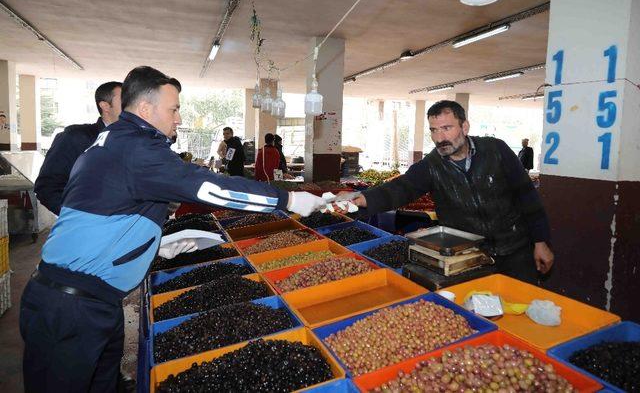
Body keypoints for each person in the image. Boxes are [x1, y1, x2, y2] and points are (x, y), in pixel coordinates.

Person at [19, 66, 325, 392]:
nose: (179, 118)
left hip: (93, 301)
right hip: (70, 309)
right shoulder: (136, 149)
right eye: (174, 109)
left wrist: (150, 244)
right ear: (146, 109)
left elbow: (106, 210)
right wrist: (290, 198)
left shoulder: (114, 141)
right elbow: (209, 187)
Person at [343, 100, 554, 284]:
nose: (439, 137)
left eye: (446, 128)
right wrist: (362, 198)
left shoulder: (496, 150)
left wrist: (541, 241)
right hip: (468, 256)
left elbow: (528, 196)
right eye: (434, 130)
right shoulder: (432, 166)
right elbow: (402, 187)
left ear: (465, 126)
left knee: (522, 311)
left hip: (516, 250)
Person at [34, 81, 122, 215]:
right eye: (124, 100)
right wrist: (78, 218)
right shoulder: (76, 137)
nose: (131, 105)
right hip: (90, 228)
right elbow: (47, 188)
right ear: (105, 106)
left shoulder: (135, 141)